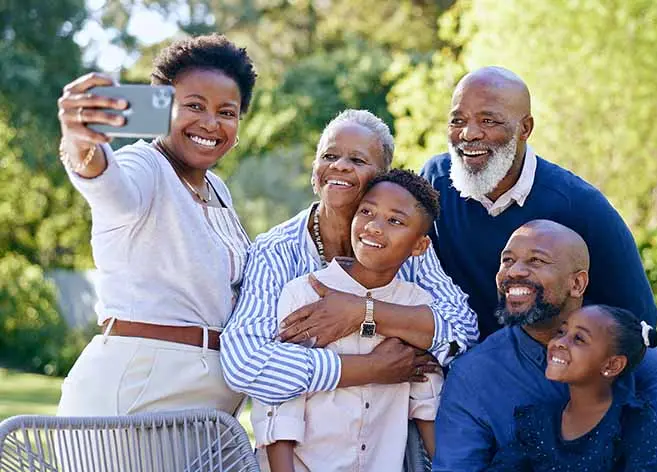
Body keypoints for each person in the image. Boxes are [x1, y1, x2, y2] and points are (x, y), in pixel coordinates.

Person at [55, 34, 257, 416]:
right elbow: (111, 189)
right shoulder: (144, 165)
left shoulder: (219, 190)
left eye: (227, 112)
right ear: (162, 108)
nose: (211, 123)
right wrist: (80, 143)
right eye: (194, 106)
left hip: (208, 407)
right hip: (138, 392)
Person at [220, 110, 478, 407]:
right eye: (329, 156)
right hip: (302, 443)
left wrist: (363, 312)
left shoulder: (406, 247)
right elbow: (245, 363)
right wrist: (371, 368)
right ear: (314, 171)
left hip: (390, 435)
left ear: (383, 178)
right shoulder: (275, 251)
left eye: (357, 160)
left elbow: (463, 334)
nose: (340, 166)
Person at [432, 220, 657, 471]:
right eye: (507, 260)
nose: (514, 271)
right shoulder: (474, 375)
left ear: (577, 283)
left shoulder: (628, 346)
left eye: (536, 261)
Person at [420, 66, 657, 340]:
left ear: (525, 128)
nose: (468, 134)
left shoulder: (580, 206)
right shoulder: (435, 182)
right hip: (459, 363)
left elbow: (636, 317)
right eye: (457, 121)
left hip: (554, 367)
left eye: (489, 121)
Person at [252, 169, 443, 472]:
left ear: (419, 246)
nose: (374, 227)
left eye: (395, 221)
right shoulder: (304, 294)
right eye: (366, 211)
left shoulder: (416, 306)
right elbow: (280, 406)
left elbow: (426, 405)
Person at [487, 305, 657, 471]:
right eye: (561, 332)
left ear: (612, 365)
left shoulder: (633, 423)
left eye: (579, 339)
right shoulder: (538, 423)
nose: (559, 342)